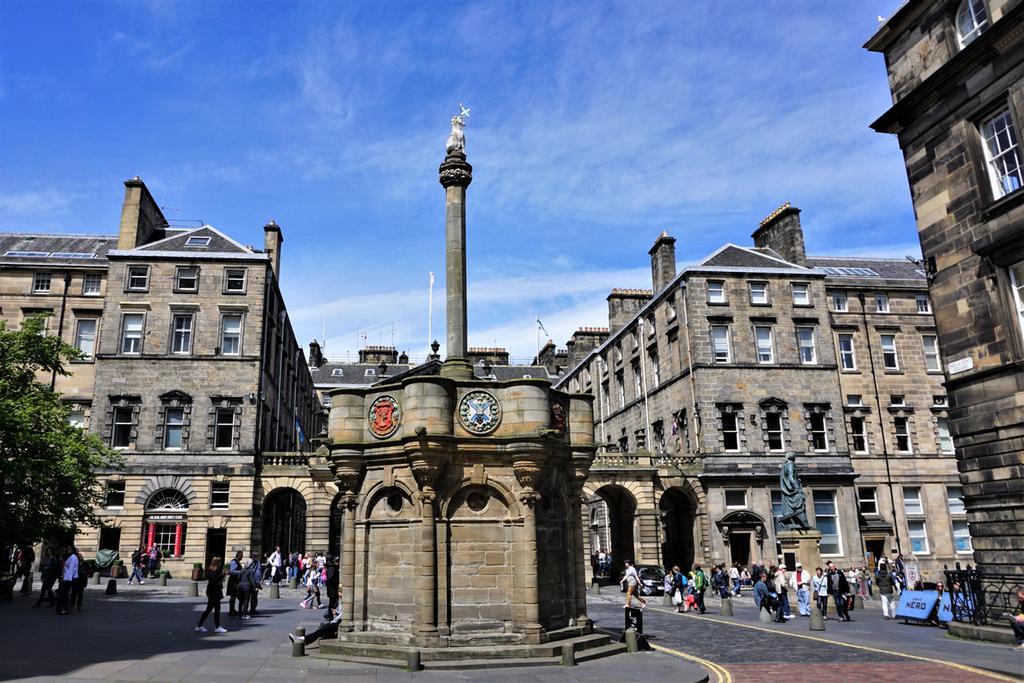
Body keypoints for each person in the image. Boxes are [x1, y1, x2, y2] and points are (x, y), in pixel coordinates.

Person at [196, 557, 228, 633]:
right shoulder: (214, 572)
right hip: (214, 593)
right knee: (216, 609)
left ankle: (199, 626)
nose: (221, 564)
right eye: (220, 563)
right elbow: (214, 582)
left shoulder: (212, 571)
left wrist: (223, 575)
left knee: (209, 610)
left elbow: (215, 580)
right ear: (217, 563)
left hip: (212, 592)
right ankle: (217, 627)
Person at [57, 546, 78, 615]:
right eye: (67, 548)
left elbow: (71, 570)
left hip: (68, 579)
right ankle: (62, 608)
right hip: (66, 577)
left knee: (64, 594)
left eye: (69, 549)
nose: (67, 550)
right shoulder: (70, 557)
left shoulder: (73, 557)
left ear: (72, 550)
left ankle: (65, 609)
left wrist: (66, 579)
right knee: (63, 593)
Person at [226, 551, 243, 616]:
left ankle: (232, 610)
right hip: (233, 582)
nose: (242, 557)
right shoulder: (234, 562)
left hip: (236, 581)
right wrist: (241, 572)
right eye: (241, 555)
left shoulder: (237, 562)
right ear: (238, 555)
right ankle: (232, 611)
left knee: (235, 596)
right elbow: (232, 571)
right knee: (234, 596)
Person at [325, 555, 340, 620]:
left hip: (332, 588)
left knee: (332, 602)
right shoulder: (332, 568)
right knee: (333, 601)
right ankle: (329, 614)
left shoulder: (331, 567)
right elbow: (330, 579)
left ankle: (329, 614)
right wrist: (336, 582)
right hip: (332, 588)